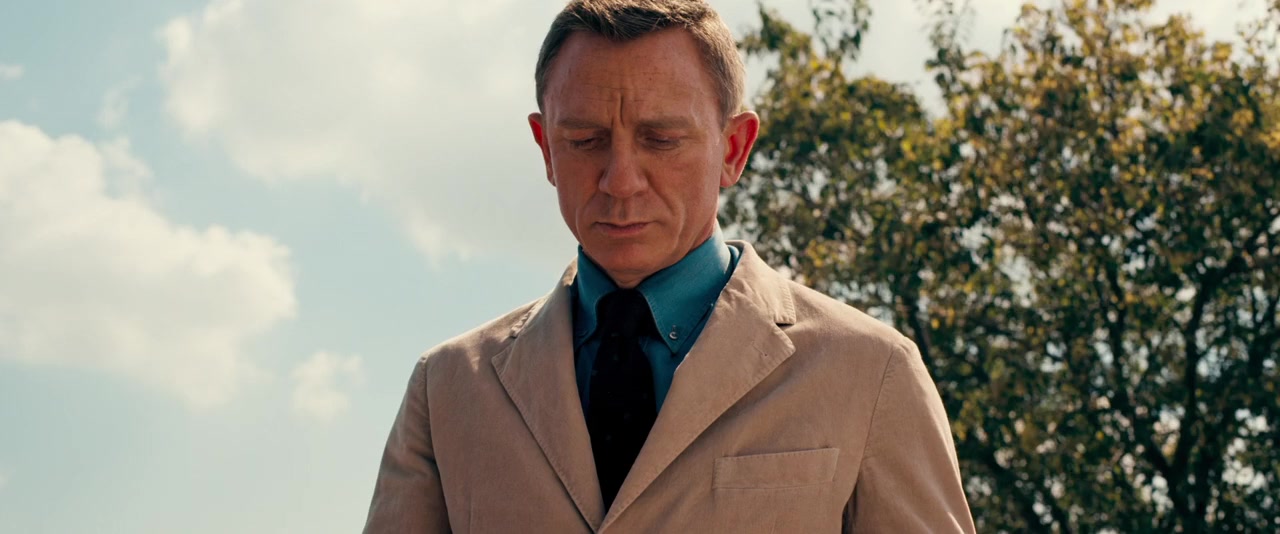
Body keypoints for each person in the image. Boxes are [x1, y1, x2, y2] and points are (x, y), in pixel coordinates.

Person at [363, 0, 976, 532]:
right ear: (546, 148)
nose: (620, 181)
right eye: (585, 140)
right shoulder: (447, 389)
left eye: (660, 140)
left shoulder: (871, 372)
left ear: (734, 148)